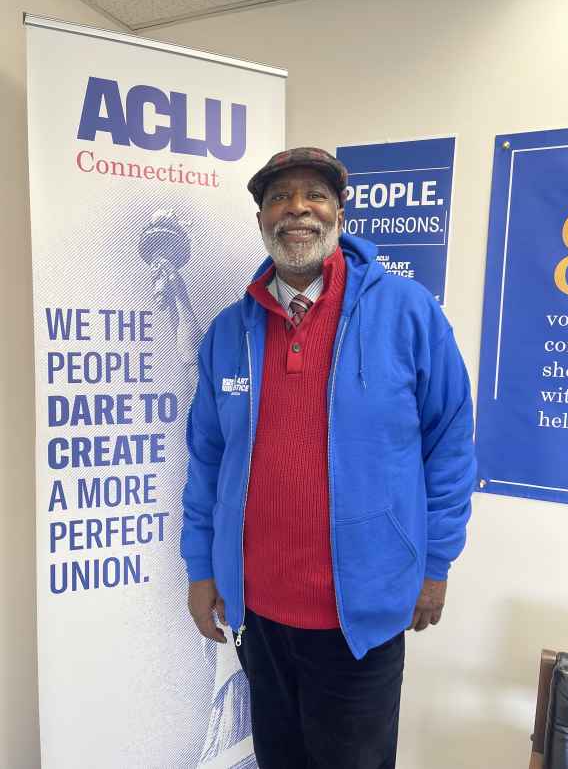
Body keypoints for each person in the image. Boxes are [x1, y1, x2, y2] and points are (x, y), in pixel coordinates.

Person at [182, 147, 476, 769]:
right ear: (261, 216)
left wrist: (437, 563)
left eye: (313, 194)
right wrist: (203, 568)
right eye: (279, 197)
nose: (297, 210)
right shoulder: (230, 332)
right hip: (258, 613)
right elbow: (206, 459)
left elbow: (449, 444)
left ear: (339, 208)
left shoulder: (406, 312)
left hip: (360, 617)